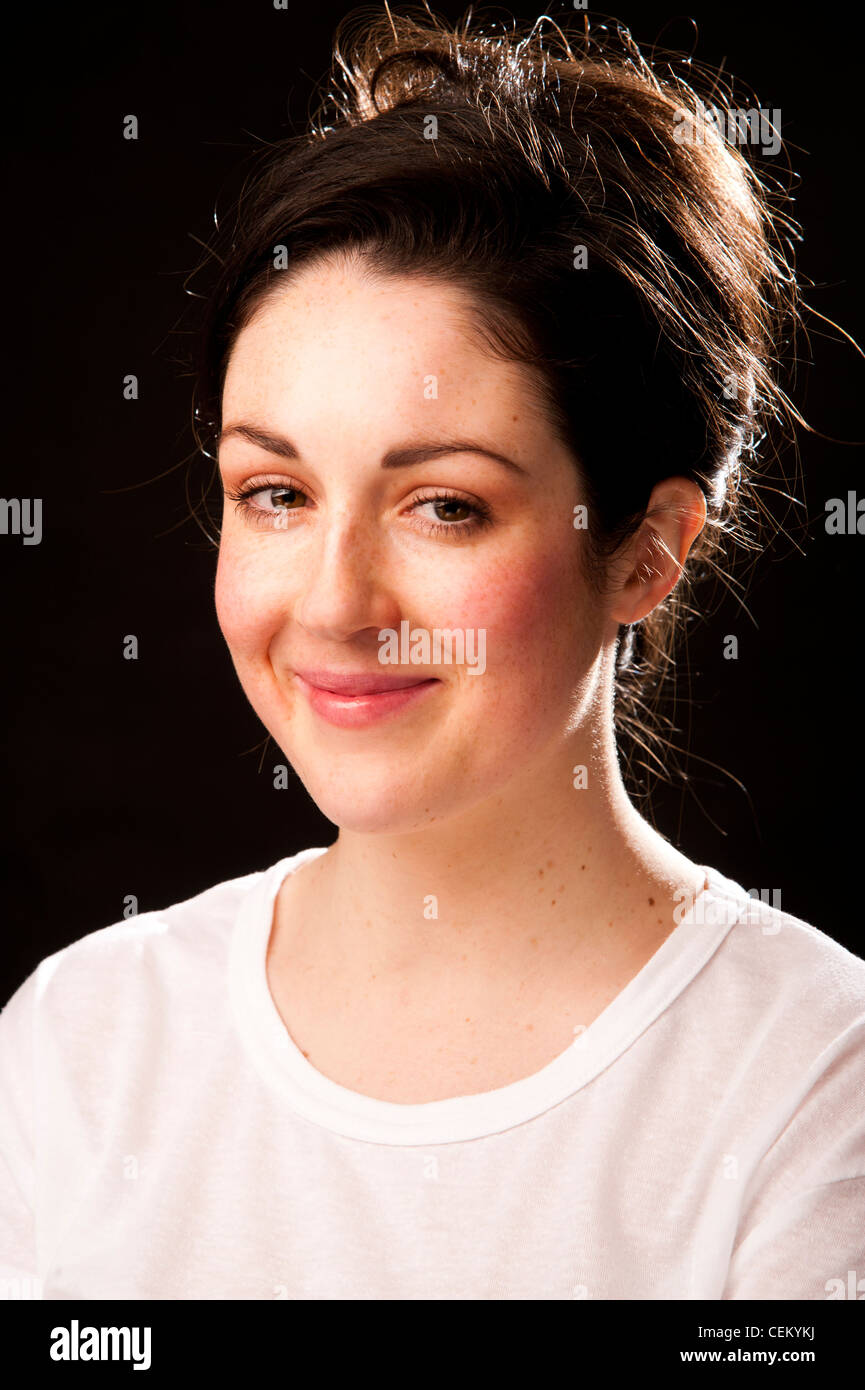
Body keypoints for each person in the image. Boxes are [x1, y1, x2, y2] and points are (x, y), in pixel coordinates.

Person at [1, 6, 863, 1301]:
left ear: (646, 548)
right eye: (275, 492)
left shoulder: (814, 1079)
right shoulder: (78, 1043)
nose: (337, 605)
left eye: (444, 504)